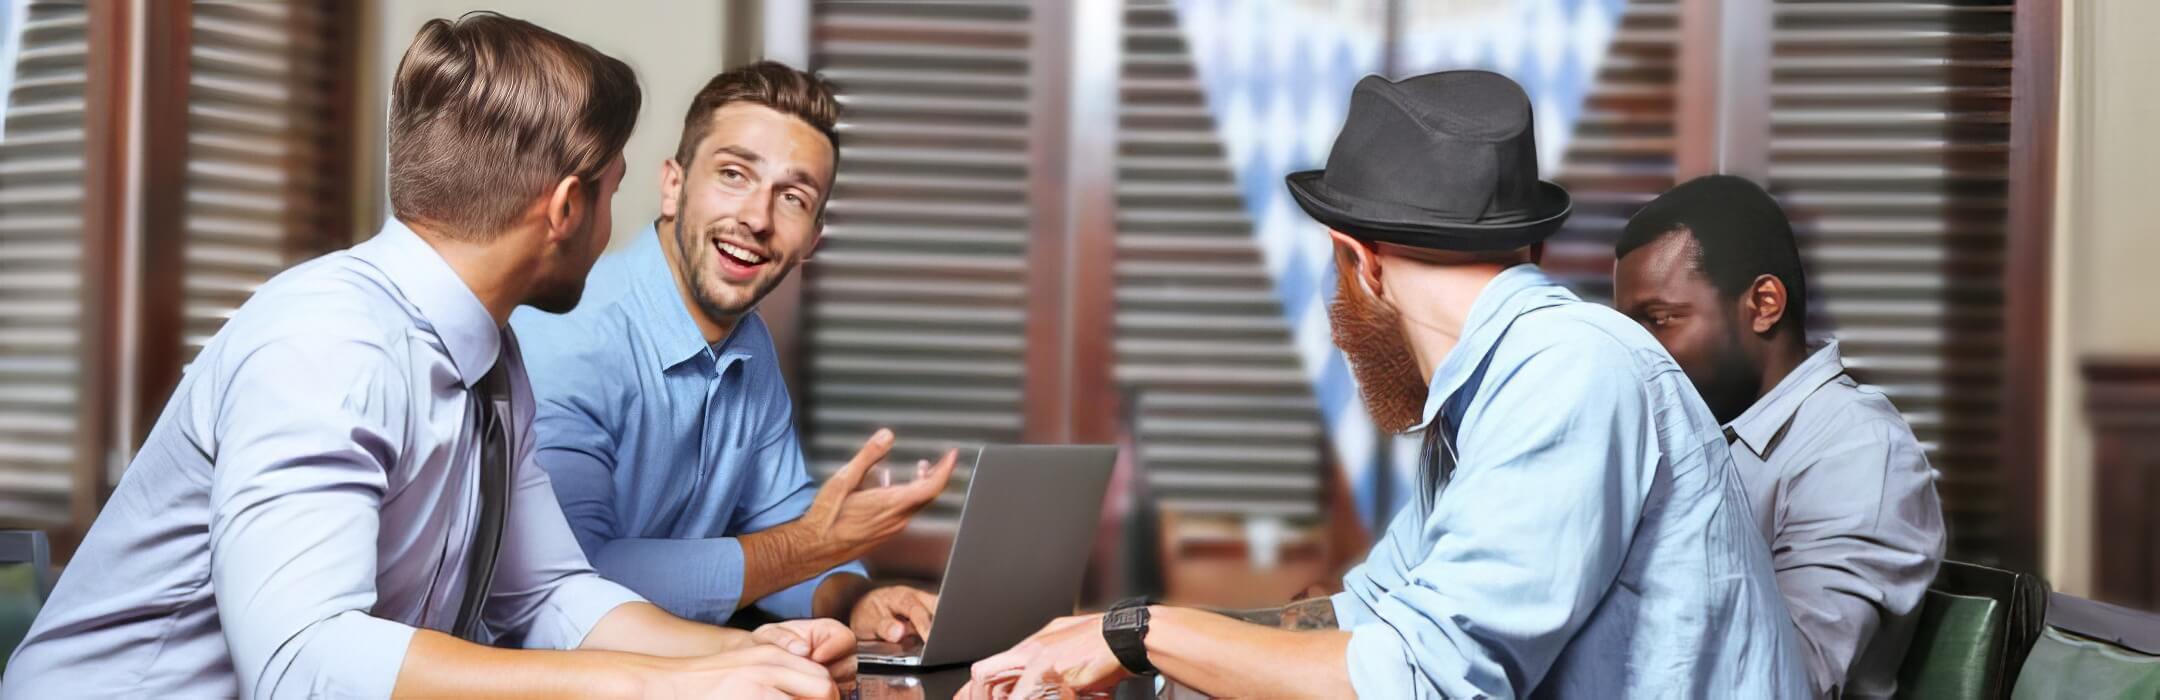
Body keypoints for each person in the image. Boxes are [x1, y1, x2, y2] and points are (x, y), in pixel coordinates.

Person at [2, 14, 851, 699]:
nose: (613, 230)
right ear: (564, 207)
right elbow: (303, 665)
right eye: (614, 190)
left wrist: (744, 658)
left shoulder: (494, 357)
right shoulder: (328, 342)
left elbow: (550, 592)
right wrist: (654, 687)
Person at [963, 71, 1809, 699]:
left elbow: (1421, 681)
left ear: (1359, 263)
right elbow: (1364, 617)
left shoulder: (1568, 372)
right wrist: (1113, 645)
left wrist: (1144, 633)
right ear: (1527, 250)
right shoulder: (1496, 394)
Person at [510, 62, 951, 646]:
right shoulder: (566, 335)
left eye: (792, 197)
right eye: (735, 174)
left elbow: (784, 529)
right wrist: (814, 543)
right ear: (674, 186)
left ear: (812, 241)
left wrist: (858, 599)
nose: (757, 218)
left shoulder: (749, 346)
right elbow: (574, 581)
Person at [1612, 174, 1947, 699]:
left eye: (1659, 320)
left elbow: (1785, 682)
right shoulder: (1699, 431)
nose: (1636, 353)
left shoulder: (1858, 450)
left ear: (1764, 303)